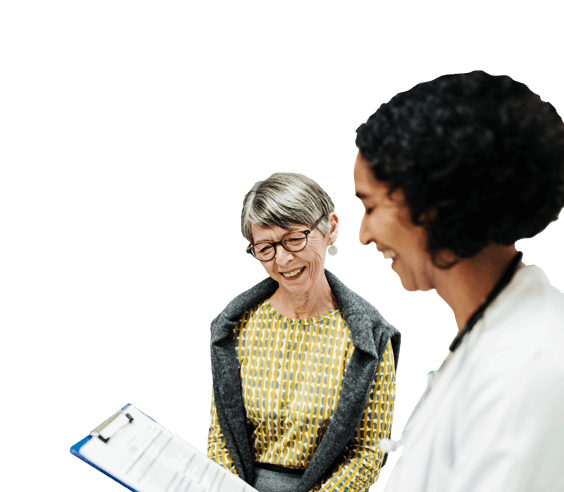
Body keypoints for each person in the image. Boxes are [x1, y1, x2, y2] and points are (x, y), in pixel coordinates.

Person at [353, 70, 564, 491]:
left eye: (371, 206)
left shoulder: (528, 366)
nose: (364, 235)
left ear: (431, 206)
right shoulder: (491, 333)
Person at [209, 172, 401, 492]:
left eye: (294, 238)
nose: (283, 259)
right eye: (265, 247)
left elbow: (368, 454)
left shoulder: (371, 337)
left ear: (331, 229)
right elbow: (220, 435)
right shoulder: (233, 327)